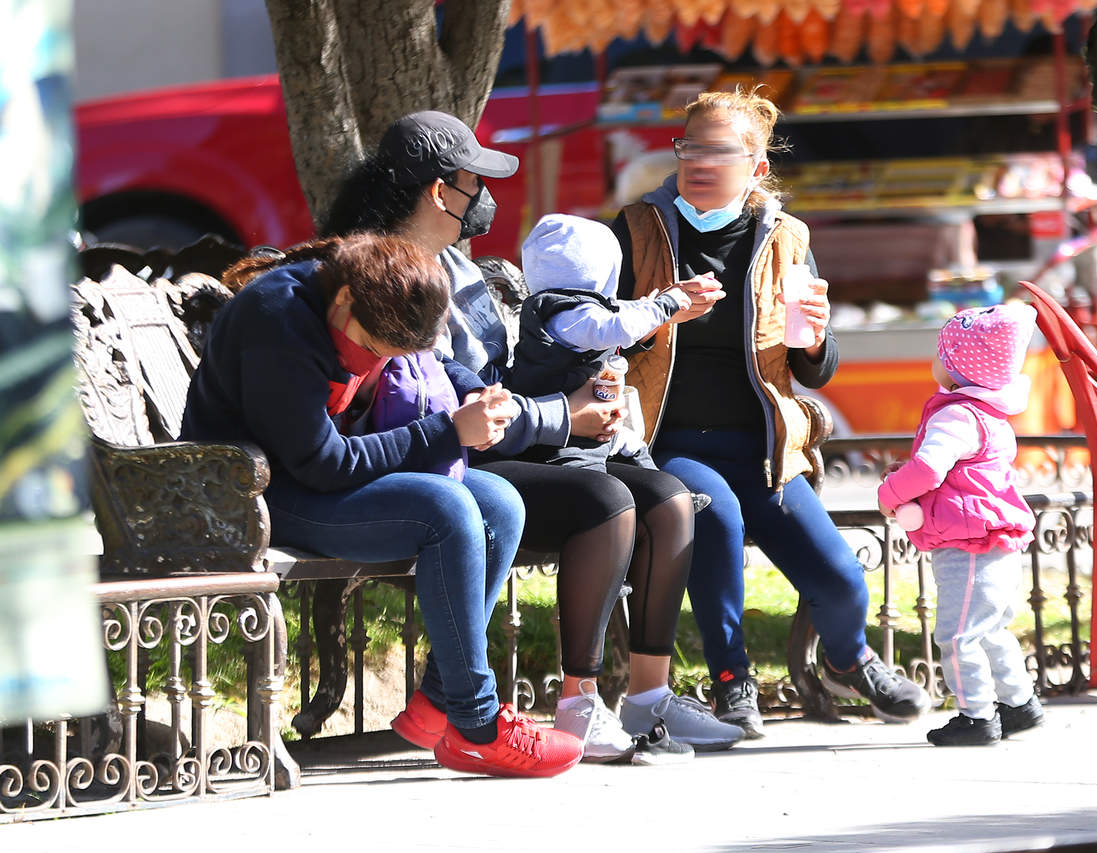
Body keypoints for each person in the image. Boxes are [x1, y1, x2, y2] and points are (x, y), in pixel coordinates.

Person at [323, 110, 743, 761]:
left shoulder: (457, 267)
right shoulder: (390, 274)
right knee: (606, 500)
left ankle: (649, 697)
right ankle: (579, 703)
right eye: (475, 182)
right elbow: (445, 396)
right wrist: (563, 414)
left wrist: (579, 404)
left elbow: (496, 378)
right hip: (453, 452)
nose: (485, 199)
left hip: (510, 435)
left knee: (668, 498)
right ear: (440, 192)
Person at [180, 233, 584, 777]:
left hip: (311, 479)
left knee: (500, 503)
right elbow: (324, 463)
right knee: (446, 509)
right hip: (250, 494)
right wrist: (447, 431)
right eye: (373, 349)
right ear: (345, 299)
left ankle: (440, 703)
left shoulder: (365, 304)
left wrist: (471, 393)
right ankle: (478, 725)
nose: (376, 363)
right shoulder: (277, 320)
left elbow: (430, 363)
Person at [611, 88, 932, 739]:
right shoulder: (638, 228)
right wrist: (662, 313)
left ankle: (849, 661)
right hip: (670, 443)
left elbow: (817, 367)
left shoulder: (786, 237)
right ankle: (732, 680)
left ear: (756, 167)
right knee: (716, 518)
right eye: (690, 148)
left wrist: (814, 338)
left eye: (720, 152)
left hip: (763, 448)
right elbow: (598, 337)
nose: (700, 163)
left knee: (840, 576)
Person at [877, 304, 1045, 746]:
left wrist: (891, 493)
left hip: (968, 545)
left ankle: (977, 716)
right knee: (990, 629)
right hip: (995, 541)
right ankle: (1019, 703)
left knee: (957, 635)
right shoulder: (988, 413)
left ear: (955, 368)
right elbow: (959, 475)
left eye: (941, 352)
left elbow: (930, 470)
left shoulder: (956, 416)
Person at [510, 212, 689, 472]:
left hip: (590, 421)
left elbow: (616, 312)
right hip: (564, 435)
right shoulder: (571, 316)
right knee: (593, 477)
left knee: (636, 448)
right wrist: (664, 306)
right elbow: (617, 327)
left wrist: (644, 307)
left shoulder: (569, 309)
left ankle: (664, 488)